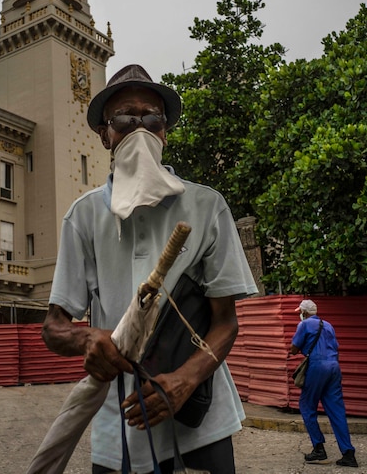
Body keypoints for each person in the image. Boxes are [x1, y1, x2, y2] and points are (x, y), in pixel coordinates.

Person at [41, 64, 258, 474]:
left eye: (151, 118)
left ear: (164, 132)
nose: (139, 129)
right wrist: (88, 339)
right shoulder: (83, 217)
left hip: (199, 421)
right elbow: (53, 327)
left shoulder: (207, 206)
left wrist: (187, 379)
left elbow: (225, 322)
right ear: (105, 133)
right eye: (124, 119)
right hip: (118, 424)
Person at [290, 299, 357, 467]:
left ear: (304, 313)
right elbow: (335, 346)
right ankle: (348, 453)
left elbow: (294, 347)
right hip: (334, 367)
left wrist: (293, 351)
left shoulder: (304, 325)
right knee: (336, 410)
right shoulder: (328, 325)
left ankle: (319, 449)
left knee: (307, 405)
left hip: (317, 366)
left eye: (300, 312)